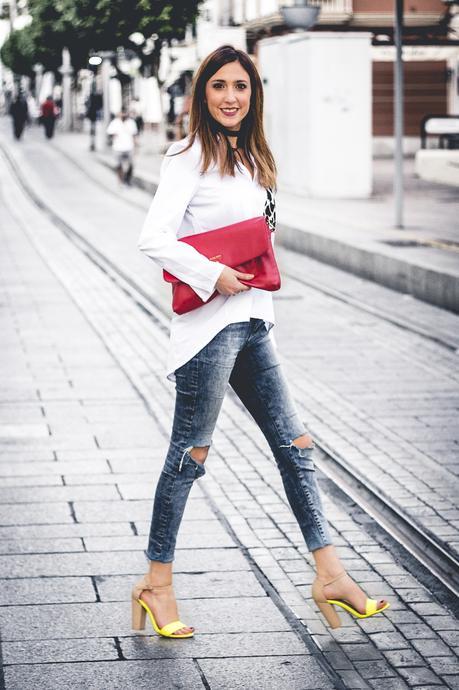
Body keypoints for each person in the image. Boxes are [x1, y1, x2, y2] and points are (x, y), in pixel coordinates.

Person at [134, 44, 390, 639]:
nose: (230, 97)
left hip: (252, 321)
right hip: (209, 328)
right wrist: (210, 274)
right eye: (219, 86)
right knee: (189, 456)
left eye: (241, 87)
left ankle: (329, 574)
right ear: (203, 94)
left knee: (296, 444)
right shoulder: (189, 155)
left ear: (254, 95)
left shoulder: (251, 156)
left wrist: (251, 297)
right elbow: (153, 236)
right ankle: (156, 585)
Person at [106, 110, 138, 185]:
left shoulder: (131, 123)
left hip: (129, 147)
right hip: (117, 147)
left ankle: (127, 180)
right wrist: (113, 136)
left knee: (131, 165)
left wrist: (136, 147)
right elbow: (109, 133)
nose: (123, 115)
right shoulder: (115, 122)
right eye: (122, 113)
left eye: (125, 113)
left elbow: (134, 135)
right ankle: (120, 180)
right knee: (118, 165)